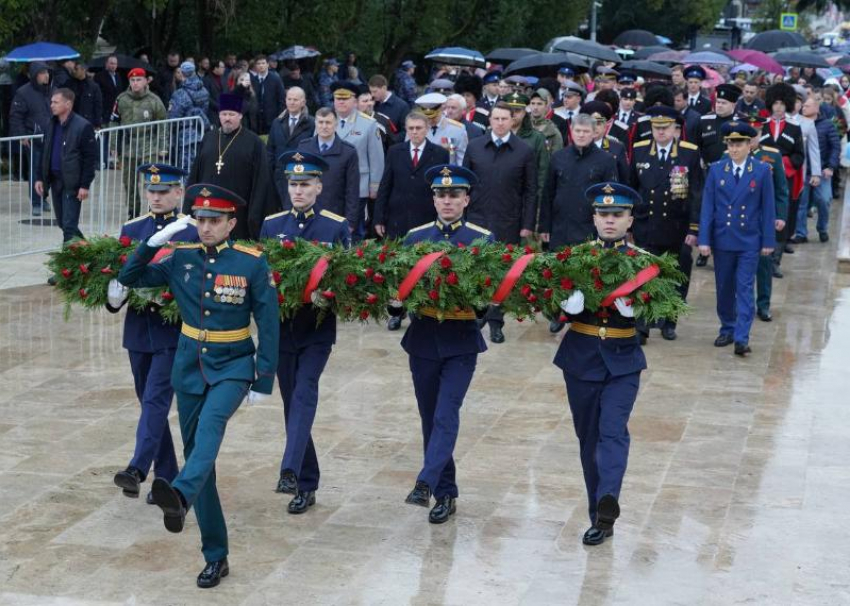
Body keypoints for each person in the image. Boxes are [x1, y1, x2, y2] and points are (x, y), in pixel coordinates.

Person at [118, 183, 279, 589]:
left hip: (234, 365)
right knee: (197, 456)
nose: (205, 228)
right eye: (200, 220)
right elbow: (129, 277)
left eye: (214, 221)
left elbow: (270, 323)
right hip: (189, 365)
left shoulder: (251, 263)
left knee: (208, 432)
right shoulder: (181, 258)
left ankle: (180, 493)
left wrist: (263, 377)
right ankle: (216, 554)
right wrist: (153, 243)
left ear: (231, 223)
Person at [554, 182, 648, 546]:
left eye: (617, 215)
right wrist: (564, 306)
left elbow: (659, 305)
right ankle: (599, 514)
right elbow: (551, 299)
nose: (610, 221)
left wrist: (637, 313)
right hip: (581, 357)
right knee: (588, 438)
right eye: (604, 215)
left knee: (613, 430)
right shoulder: (574, 257)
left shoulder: (643, 262)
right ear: (593, 219)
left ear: (629, 219)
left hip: (623, 359)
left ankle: (608, 498)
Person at [399, 164, 494, 524]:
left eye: (454, 194)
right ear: (433, 199)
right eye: (441, 194)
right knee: (429, 418)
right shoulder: (415, 238)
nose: (447, 200)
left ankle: (426, 482)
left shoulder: (481, 239)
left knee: (445, 413)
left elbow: (488, 298)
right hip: (423, 338)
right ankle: (446, 492)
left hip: (460, 340)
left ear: (466, 199)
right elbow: (401, 288)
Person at [259, 151, 350, 514]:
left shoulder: (335, 226)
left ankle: (290, 469)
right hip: (282, 328)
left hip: (316, 327)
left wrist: (327, 296)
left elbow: (347, 279)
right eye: (293, 184)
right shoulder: (272, 224)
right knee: (290, 400)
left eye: (305, 184)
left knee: (305, 393)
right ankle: (307, 482)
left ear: (318, 187)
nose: (298, 191)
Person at [108, 164, 199, 505]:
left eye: (164, 191)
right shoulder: (133, 228)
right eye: (152, 191)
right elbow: (118, 274)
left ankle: (136, 468)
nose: (157, 197)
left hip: (173, 331)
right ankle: (168, 476)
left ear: (179, 193)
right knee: (148, 402)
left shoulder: (190, 231)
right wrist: (113, 296)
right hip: (137, 331)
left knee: (155, 400)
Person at [698, 121, 776, 356]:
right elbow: (708, 207)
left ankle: (742, 337)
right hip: (723, 239)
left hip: (749, 240)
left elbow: (768, 207)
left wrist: (768, 241)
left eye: (739, 144)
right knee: (724, 287)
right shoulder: (717, 169)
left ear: (750, 145)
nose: (734, 149)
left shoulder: (761, 171)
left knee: (744, 287)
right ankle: (727, 328)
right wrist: (704, 239)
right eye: (731, 144)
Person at [463, 101, 537, 344]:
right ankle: (474, 317)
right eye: (496, 118)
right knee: (475, 270)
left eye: (505, 119)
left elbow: (530, 191)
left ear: (512, 120)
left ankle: (496, 323)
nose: (500, 123)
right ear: (490, 120)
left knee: (502, 273)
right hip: (477, 219)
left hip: (508, 220)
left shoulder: (524, 150)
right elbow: (464, 186)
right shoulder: (474, 147)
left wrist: (527, 223)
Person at [629, 106, 703, 342]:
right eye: (656, 128)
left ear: (675, 129)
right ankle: (643, 325)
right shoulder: (640, 151)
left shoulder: (689, 153)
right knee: (644, 276)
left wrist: (694, 228)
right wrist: (629, 225)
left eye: (665, 128)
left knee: (676, 276)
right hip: (647, 225)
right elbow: (632, 187)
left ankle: (670, 321)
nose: (660, 132)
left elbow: (696, 193)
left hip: (677, 227)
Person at [540, 113, 618, 333]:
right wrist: (544, 226)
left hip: (589, 228)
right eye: (578, 131)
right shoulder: (558, 157)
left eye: (586, 131)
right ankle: (557, 313)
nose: (581, 135)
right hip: (561, 226)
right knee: (559, 273)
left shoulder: (605, 160)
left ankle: (584, 315)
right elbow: (547, 193)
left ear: (595, 132)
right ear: (571, 132)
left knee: (586, 273)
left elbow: (610, 199)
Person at [375, 111, 451, 326]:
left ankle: (422, 309)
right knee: (397, 269)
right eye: (411, 128)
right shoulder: (395, 151)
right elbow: (385, 185)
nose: (415, 132)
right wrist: (379, 217)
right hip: (397, 218)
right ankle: (396, 312)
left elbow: (442, 189)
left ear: (427, 128)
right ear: (406, 130)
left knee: (425, 266)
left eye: (419, 128)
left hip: (425, 219)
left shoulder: (439, 153)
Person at [186, 93, 275, 239]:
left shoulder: (253, 142)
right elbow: (196, 173)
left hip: (239, 213)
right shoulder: (208, 138)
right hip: (207, 208)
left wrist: (255, 215)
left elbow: (261, 181)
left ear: (240, 115)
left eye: (232, 114)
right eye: (224, 114)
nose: (227, 118)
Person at [35, 88, 98, 242]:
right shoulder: (51, 124)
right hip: (55, 181)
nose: (51, 105)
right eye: (51, 102)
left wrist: (84, 185)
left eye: (56, 102)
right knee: (64, 223)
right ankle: (90, 254)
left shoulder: (83, 126)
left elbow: (90, 159)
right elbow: (45, 152)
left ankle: (68, 263)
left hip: (72, 183)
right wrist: (39, 178)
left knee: (69, 226)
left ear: (68, 104)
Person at [745, 113, 789, 323]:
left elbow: (781, 189)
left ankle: (763, 305)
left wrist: (780, 215)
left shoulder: (772, 155)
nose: (752, 139)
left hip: (764, 218)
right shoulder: (729, 156)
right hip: (740, 219)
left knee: (764, 264)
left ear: (761, 134)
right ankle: (743, 305)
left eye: (755, 134)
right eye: (748, 134)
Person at [760, 83, 804, 279]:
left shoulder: (795, 129)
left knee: (781, 217)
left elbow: (799, 156)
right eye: (775, 103)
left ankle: (775, 262)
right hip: (761, 179)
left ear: (787, 104)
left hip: (784, 180)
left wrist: (782, 164)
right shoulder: (761, 126)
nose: (778, 107)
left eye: (781, 103)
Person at [333, 81, 385, 238]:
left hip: (358, 187)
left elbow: (376, 158)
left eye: (346, 98)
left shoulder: (368, 124)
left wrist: (374, 187)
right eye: (337, 98)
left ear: (355, 102)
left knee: (355, 230)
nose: (341, 102)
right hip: (332, 186)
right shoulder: (325, 121)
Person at [116, 67, 168, 218]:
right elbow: (113, 122)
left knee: (152, 181)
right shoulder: (122, 99)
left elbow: (163, 123)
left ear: (146, 81)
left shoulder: (154, 100)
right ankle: (133, 213)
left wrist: (162, 146)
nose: (135, 83)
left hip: (148, 145)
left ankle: (154, 211)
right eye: (132, 80)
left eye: (139, 80)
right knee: (129, 183)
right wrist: (114, 146)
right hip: (128, 146)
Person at [294, 108, 359, 226]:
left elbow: (352, 190)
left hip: (335, 215)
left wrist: (350, 221)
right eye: (320, 122)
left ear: (336, 124)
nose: (324, 126)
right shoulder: (304, 147)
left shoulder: (348, 152)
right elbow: (296, 182)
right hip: (307, 214)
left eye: (328, 122)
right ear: (315, 124)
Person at [9, 62, 53, 215]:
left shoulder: (51, 90)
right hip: (33, 139)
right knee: (35, 171)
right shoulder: (23, 92)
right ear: (35, 75)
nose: (46, 75)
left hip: (50, 138)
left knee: (48, 171)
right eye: (43, 73)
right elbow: (15, 115)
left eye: (47, 72)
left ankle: (44, 198)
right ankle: (36, 202)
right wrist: (22, 135)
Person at [795, 96, 839, 243]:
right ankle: (801, 233)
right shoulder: (797, 123)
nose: (804, 108)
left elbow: (835, 146)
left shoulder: (826, 125)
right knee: (801, 203)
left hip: (823, 170)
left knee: (824, 199)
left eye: (807, 106)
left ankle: (822, 228)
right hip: (802, 170)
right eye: (803, 106)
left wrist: (830, 167)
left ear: (816, 108)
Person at [266, 86, 316, 186]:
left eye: (295, 100)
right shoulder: (277, 122)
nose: (292, 102)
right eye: (289, 99)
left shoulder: (312, 123)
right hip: (279, 177)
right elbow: (270, 151)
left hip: (302, 177)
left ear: (303, 102)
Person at [168, 62, 211, 174]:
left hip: (185, 137)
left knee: (185, 169)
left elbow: (173, 118)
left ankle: (187, 191)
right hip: (201, 133)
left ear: (182, 74)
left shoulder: (180, 94)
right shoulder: (204, 91)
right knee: (199, 168)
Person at [414, 92, 469, 164]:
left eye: (433, 116)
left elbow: (461, 159)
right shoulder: (415, 128)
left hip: (446, 172)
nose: (430, 119)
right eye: (427, 115)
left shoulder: (457, 129)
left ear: (441, 109)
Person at [250, 55, 285, 135]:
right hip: (256, 117)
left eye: (263, 63)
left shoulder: (275, 79)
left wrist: (280, 116)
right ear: (255, 66)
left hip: (272, 116)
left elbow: (281, 99)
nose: (261, 65)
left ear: (267, 65)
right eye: (258, 64)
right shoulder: (253, 80)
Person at [94, 55, 126, 129]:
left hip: (116, 110)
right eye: (111, 63)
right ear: (106, 64)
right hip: (105, 110)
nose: (113, 66)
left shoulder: (118, 76)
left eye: (115, 64)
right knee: (105, 133)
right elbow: (98, 95)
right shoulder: (99, 76)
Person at [529, 89, 564, 154]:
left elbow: (557, 157)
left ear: (546, 106)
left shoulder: (553, 131)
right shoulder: (522, 124)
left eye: (539, 104)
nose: (535, 107)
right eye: (533, 103)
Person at [71, 62, 103, 129]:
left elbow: (98, 105)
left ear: (83, 70)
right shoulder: (71, 84)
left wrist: (97, 123)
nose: (74, 71)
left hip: (88, 122)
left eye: (76, 69)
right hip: (74, 121)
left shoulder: (93, 86)